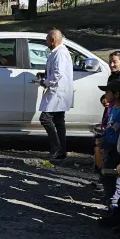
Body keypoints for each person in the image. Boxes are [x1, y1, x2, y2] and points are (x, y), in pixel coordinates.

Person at [96, 80, 120, 225]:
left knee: (114, 178)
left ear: (116, 94)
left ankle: (115, 208)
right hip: (110, 149)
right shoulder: (112, 108)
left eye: (108, 92)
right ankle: (111, 205)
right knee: (107, 177)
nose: (105, 95)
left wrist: (108, 140)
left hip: (117, 151)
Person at [37, 29, 74, 160]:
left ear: (53, 40)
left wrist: (46, 82)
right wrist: (45, 75)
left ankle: (56, 148)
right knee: (58, 121)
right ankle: (61, 152)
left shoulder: (61, 53)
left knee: (45, 118)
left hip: (58, 92)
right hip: (57, 91)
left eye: (47, 39)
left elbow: (58, 73)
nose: (46, 42)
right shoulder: (57, 52)